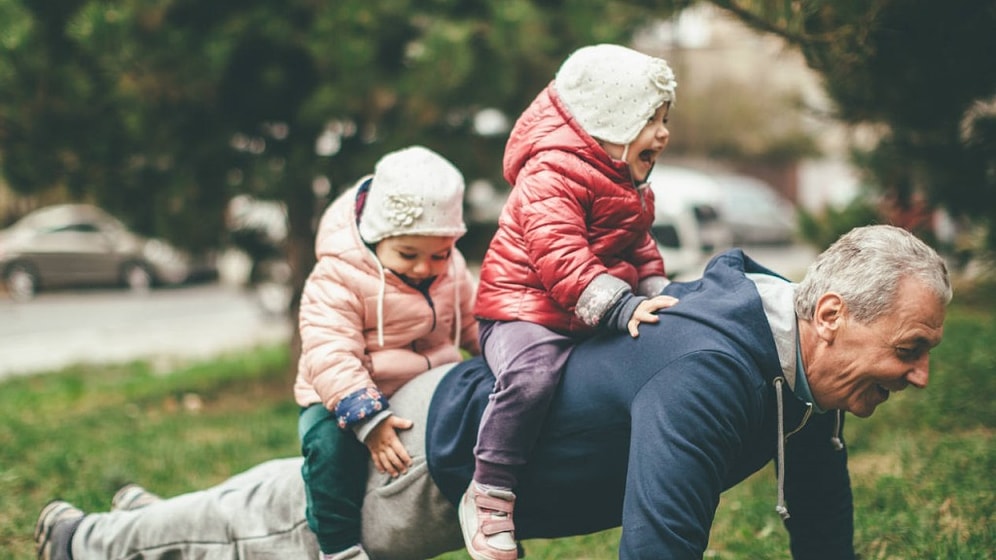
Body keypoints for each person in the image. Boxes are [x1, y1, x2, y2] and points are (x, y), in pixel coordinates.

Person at [36, 225, 951, 560]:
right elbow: (661, 544)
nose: (917, 375)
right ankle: (86, 540)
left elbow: (822, 522)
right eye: (909, 351)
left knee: (272, 508)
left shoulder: (803, 371)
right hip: (443, 459)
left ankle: (143, 519)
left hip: (461, 416)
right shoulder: (713, 367)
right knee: (282, 534)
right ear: (828, 313)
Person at [463, 43, 681, 560]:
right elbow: (558, 256)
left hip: (580, 306)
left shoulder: (626, 178)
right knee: (535, 372)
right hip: (522, 307)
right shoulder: (552, 174)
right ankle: (489, 489)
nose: (665, 132)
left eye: (666, 117)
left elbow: (638, 241)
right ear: (611, 119)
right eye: (651, 118)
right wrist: (620, 306)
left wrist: (655, 288)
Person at [294, 145, 480, 560]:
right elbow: (330, 352)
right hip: (343, 394)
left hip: (426, 382)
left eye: (439, 254)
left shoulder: (451, 269)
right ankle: (339, 546)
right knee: (329, 452)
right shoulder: (339, 276)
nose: (423, 268)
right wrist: (369, 419)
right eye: (408, 255)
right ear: (376, 237)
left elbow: (474, 321)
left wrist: (504, 352)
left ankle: (491, 518)